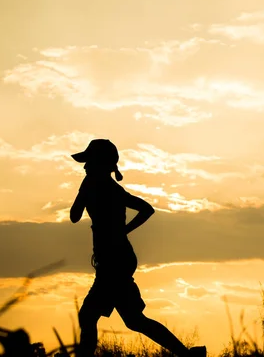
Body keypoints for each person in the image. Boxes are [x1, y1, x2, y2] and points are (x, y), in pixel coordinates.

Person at [69, 139, 206, 357]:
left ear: (101, 163)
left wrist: (122, 231)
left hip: (116, 261)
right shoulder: (94, 186)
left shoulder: (111, 189)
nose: (84, 167)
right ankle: (187, 354)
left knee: (89, 315)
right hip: (113, 260)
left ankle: (187, 354)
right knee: (133, 320)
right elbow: (74, 216)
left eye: (89, 162)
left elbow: (146, 209)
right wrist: (84, 191)